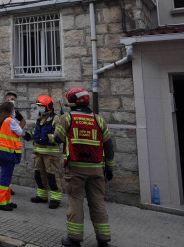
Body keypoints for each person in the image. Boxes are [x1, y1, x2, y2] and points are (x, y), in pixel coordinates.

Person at [54, 87, 114, 247]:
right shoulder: (99, 120)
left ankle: (74, 239)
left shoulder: (67, 118)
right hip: (97, 169)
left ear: (72, 102)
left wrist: (58, 124)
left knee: (75, 202)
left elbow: (58, 139)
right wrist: (109, 169)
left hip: (75, 169)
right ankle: (103, 239)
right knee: (98, 203)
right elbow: (109, 147)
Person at [29, 95, 63, 209]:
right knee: (39, 174)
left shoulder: (56, 118)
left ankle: (55, 199)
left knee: (52, 176)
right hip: (39, 152)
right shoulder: (39, 118)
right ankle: (42, 196)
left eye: (42, 106)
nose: (40, 108)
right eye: (38, 106)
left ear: (48, 107)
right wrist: (30, 136)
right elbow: (37, 133)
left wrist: (48, 138)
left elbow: (59, 135)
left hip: (50, 153)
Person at [0, 92, 25, 196]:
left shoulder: (14, 111)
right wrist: (0, 132)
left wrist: (17, 131)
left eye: (14, 99)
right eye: (11, 99)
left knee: (7, 168)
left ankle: (6, 187)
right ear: (6, 98)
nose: (12, 101)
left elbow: (23, 121)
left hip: (9, 145)